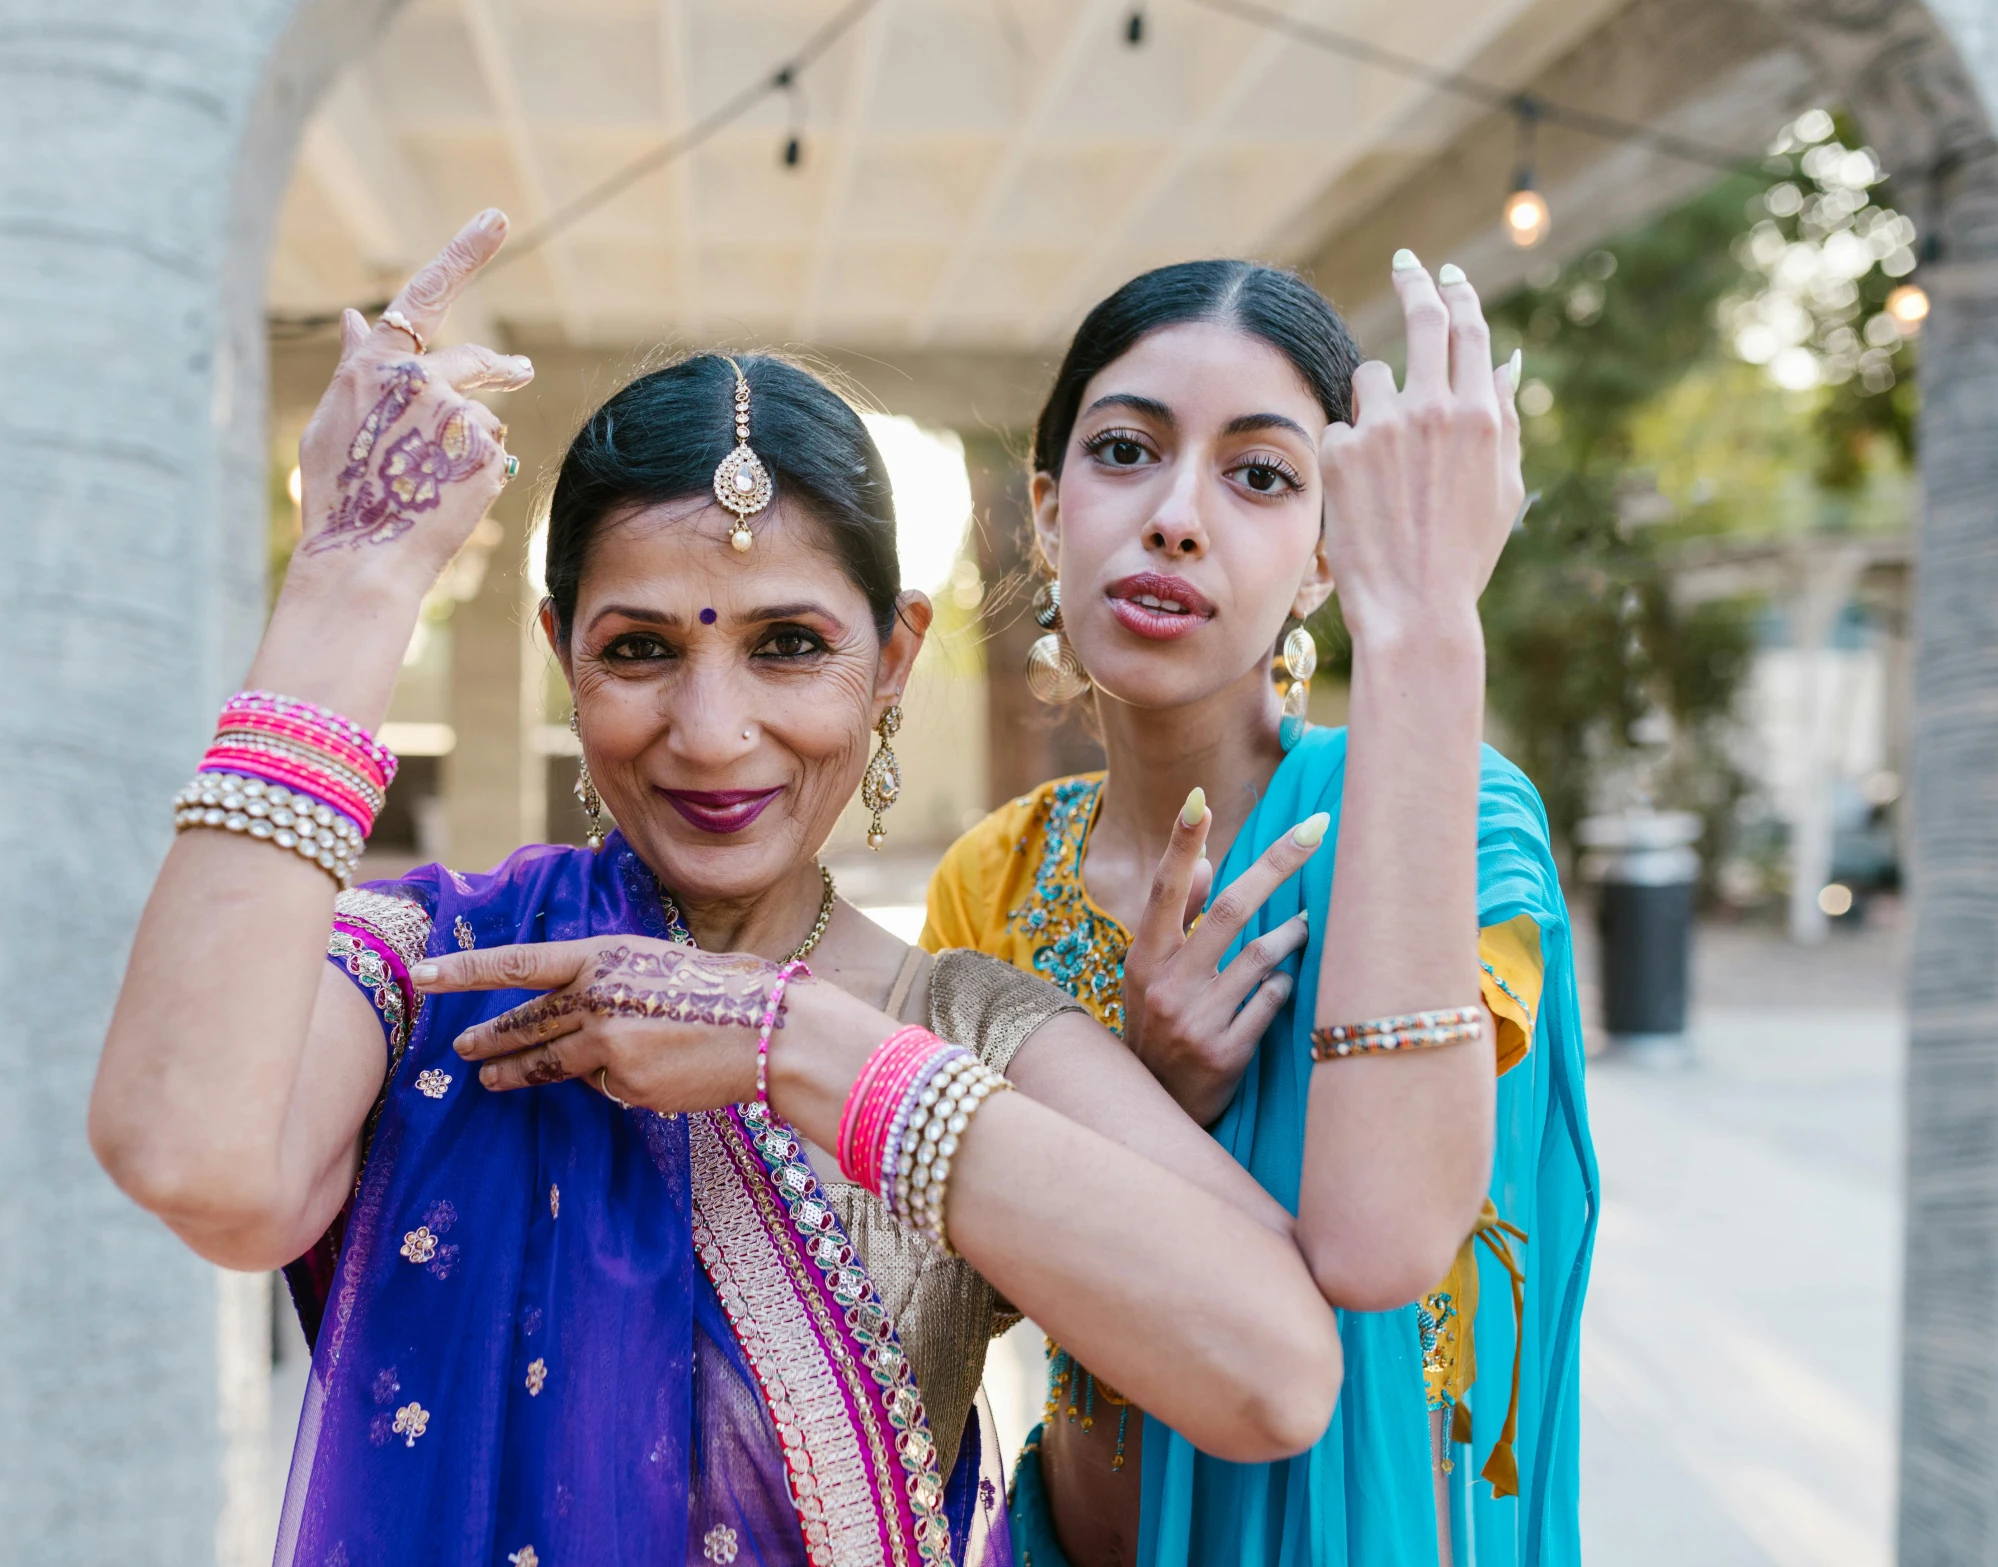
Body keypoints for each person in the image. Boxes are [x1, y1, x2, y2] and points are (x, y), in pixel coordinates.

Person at [88, 211, 1354, 1567]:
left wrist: (793, 1044)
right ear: (559, 654)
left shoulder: (967, 1025)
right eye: (637, 649)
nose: (709, 731)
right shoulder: (450, 973)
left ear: (891, 658)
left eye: (789, 644)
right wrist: (353, 572)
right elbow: (191, 1156)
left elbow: (1273, 1376)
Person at [922, 255, 1597, 1566]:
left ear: (1324, 559)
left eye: (1260, 476)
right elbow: (942, 1293)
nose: (1177, 516)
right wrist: (1141, 1089)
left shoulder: (1452, 816)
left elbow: (1376, 1238)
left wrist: (1424, 622)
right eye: (1125, 451)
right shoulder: (990, 878)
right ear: (1050, 514)